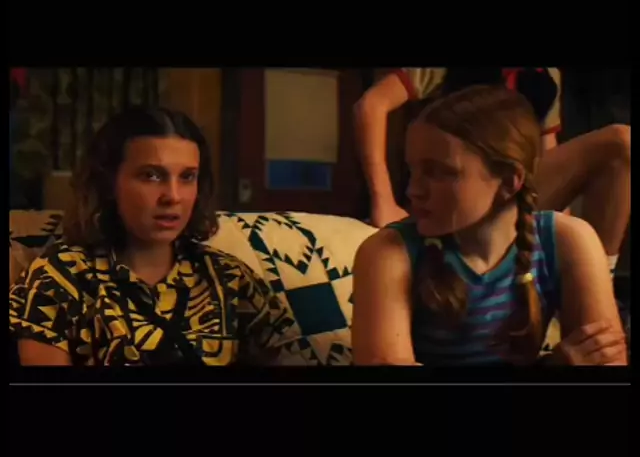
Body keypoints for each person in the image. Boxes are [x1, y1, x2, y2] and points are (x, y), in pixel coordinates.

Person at [351, 85, 628, 366]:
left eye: (439, 172)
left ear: (509, 182)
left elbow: (608, 361)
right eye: (413, 170)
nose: (413, 190)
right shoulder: (390, 253)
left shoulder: (566, 240)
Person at [9, 107, 286, 366]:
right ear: (109, 183)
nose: (173, 196)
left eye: (187, 177)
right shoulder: (60, 278)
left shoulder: (230, 278)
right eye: (151, 175)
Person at [353, 68, 631, 278]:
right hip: (460, 191)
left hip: (513, 190)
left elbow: (546, 153)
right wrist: (383, 200)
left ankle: (600, 282)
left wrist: (562, 233)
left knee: (622, 143)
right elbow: (371, 105)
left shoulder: (545, 76)